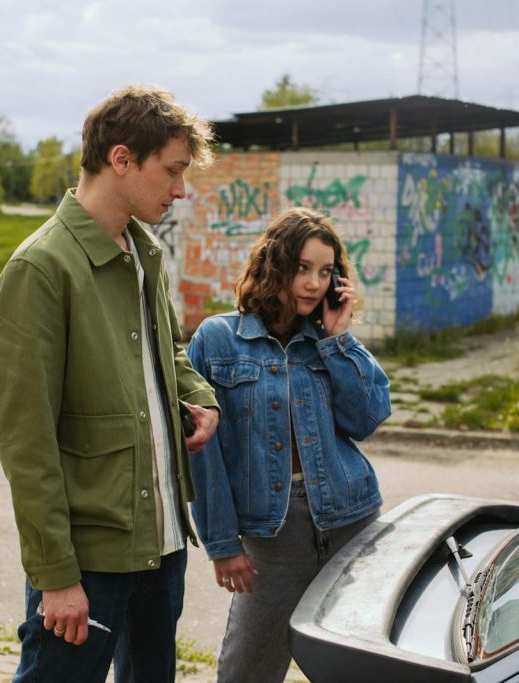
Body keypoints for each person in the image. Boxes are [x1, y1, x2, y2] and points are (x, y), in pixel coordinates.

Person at [0, 84, 221, 683]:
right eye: (171, 172)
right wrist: (55, 574)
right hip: (88, 562)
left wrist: (195, 394)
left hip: (163, 540)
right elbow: (25, 440)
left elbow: (168, 349)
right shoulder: (41, 268)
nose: (180, 189)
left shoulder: (144, 250)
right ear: (122, 159)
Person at [186, 207, 392, 682]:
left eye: (326, 271)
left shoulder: (326, 342)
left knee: (359, 667)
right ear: (274, 264)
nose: (314, 283)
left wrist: (339, 339)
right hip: (273, 537)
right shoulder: (218, 340)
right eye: (302, 267)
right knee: (248, 671)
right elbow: (203, 456)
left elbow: (367, 418)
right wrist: (222, 543)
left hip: (351, 519)